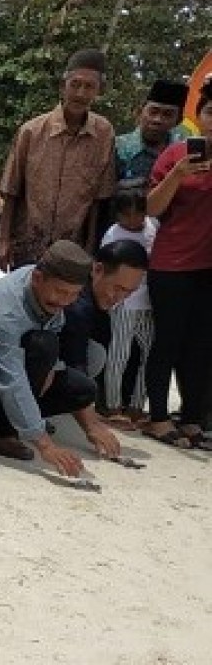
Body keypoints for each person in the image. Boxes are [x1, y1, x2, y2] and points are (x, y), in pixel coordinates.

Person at [0, 240, 122, 475]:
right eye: (61, 292)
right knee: (44, 346)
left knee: (86, 381)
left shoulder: (53, 296)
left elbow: (56, 331)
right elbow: (12, 379)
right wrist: (45, 445)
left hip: (22, 362)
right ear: (37, 279)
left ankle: (26, 421)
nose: (65, 301)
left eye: (74, 294)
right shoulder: (6, 311)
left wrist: (53, 369)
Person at [0, 49, 117, 271]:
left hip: (73, 248)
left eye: (89, 86)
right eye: (75, 84)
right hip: (27, 245)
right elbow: (12, 188)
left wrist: (90, 248)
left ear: (100, 91)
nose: (80, 93)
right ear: (63, 86)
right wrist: (3, 240)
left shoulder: (104, 133)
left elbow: (99, 198)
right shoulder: (31, 131)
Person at [143, 81, 212, 447]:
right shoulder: (174, 155)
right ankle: (156, 417)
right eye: (211, 112)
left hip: (208, 269)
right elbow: (152, 208)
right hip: (172, 264)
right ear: (198, 116)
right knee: (167, 341)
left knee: (201, 344)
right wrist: (178, 174)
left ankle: (191, 418)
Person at [99, 189, 157, 426]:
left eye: (138, 214)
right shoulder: (113, 234)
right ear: (119, 215)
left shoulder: (153, 227)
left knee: (151, 355)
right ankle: (113, 405)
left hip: (148, 302)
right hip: (124, 303)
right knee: (118, 356)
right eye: (128, 215)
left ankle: (136, 405)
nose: (134, 220)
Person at [59, 239, 147, 382]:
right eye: (118, 288)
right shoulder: (76, 304)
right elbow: (76, 368)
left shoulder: (97, 305)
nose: (120, 298)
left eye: (129, 292)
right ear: (97, 270)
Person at [116, 79, 189, 182]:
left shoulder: (184, 153)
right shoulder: (117, 148)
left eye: (167, 114)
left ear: (178, 120)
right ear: (140, 112)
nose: (157, 120)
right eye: (153, 112)